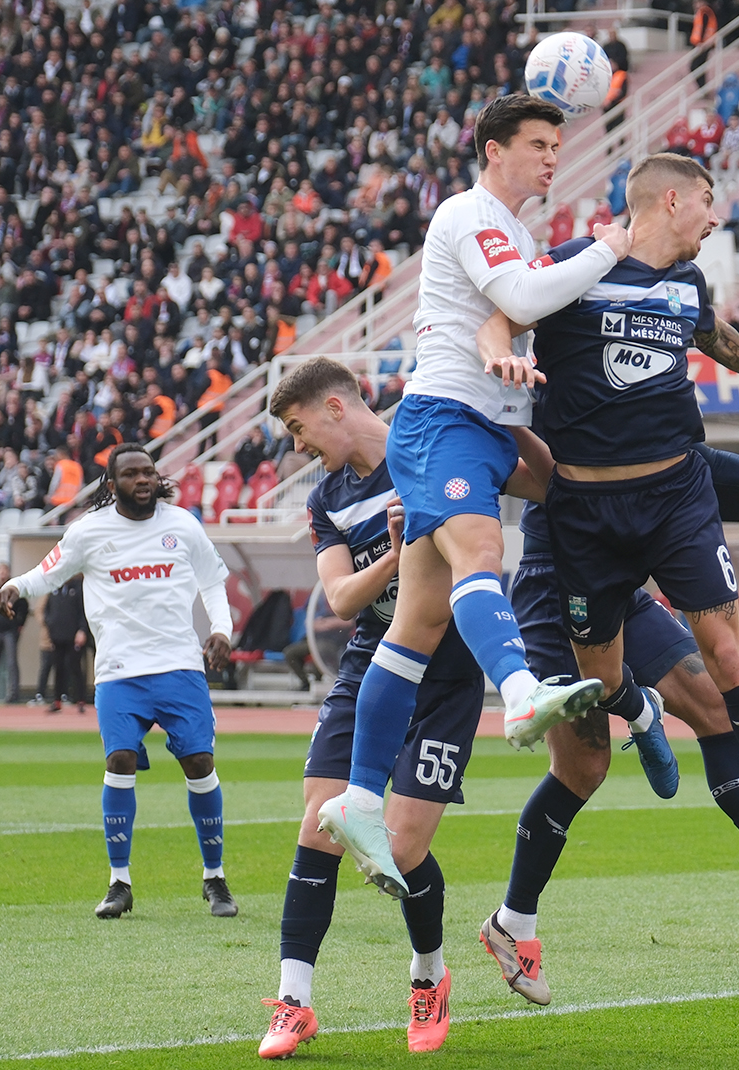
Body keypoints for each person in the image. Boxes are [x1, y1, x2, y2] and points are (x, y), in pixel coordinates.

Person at [474, 156, 739, 910]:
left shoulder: (689, 284)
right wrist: (497, 351)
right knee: (599, 687)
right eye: (707, 201)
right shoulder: (577, 263)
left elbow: (714, 336)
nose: (714, 216)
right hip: (584, 520)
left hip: (675, 498)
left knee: (727, 654)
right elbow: (505, 309)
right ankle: (635, 709)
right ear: (671, 200)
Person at [315, 95, 627, 900]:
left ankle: (354, 799)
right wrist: (608, 249)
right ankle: (521, 692)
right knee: (484, 553)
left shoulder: (514, 230)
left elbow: (516, 303)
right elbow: (522, 303)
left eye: (559, 144)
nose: (553, 156)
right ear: (493, 149)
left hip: (482, 427)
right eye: (536, 144)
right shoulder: (469, 211)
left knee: (418, 622)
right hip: (442, 416)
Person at [489, 442, 739, 1004]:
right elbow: (515, 468)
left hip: (623, 585)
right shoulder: (560, 399)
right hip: (557, 589)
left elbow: (691, 456)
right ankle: (512, 922)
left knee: (717, 707)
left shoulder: (638, 390)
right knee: (583, 770)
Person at [259, 359, 495, 1057]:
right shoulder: (327, 498)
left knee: (400, 848)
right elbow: (339, 600)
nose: (298, 446)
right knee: (320, 822)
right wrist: (398, 557)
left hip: (447, 675)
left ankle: (429, 974)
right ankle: (294, 1000)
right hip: (371, 663)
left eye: (299, 429)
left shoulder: (425, 450)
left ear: (335, 408)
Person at [0, 445, 236, 920]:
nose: (143, 479)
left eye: (148, 472)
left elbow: (212, 582)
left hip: (179, 666)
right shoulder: (89, 531)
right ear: (112, 485)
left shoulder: (183, 524)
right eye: (132, 474)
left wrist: (221, 630)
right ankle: (119, 882)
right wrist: (16, 586)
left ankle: (215, 877)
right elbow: (50, 570)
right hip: (120, 671)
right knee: (120, 758)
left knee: (200, 761)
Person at [42, 577, 88, 713]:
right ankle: (57, 701)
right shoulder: (54, 589)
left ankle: (80, 700)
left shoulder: (78, 589)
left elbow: (83, 612)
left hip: (74, 636)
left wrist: (82, 630)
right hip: (57, 636)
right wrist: (50, 624)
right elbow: (47, 610)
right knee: (58, 668)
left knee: (75, 667)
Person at [0, 562, 27, 703]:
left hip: (9, 631)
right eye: (0, 571)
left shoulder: (14, 590)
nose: (2, 573)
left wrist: (19, 623)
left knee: (11, 663)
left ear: (8, 572)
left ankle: (14, 694)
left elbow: (23, 606)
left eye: (5, 571)